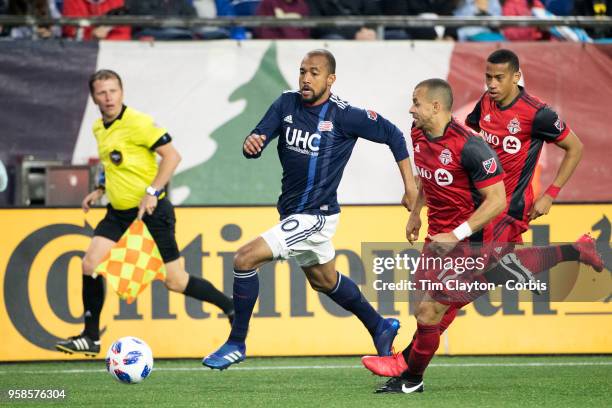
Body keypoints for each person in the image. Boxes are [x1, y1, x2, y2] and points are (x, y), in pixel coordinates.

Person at [202, 49, 418, 370]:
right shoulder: (285, 103)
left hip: (316, 216)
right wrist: (253, 142)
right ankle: (379, 326)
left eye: (314, 72)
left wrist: (410, 187)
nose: (306, 78)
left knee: (245, 259)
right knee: (323, 280)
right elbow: (259, 136)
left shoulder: (344, 116)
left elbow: (393, 134)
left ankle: (237, 342)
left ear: (330, 79)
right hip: (292, 214)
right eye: (302, 71)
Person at [55, 70, 234, 356]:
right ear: (94, 98)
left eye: (113, 90)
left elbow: (173, 156)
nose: (108, 97)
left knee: (175, 281)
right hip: (118, 213)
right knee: (90, 264)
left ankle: (230, 306)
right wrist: (100, 189)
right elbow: (114, 165)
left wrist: (152, 192)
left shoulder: (138, 123)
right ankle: (91, 338)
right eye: (102, 92)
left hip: (152, 212)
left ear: (122, 92)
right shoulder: (99, 128)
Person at [362, 78, 507, 393]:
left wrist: (457, 234)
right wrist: (416, 212)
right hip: (437, 237)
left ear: (436, 106)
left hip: (471, 241)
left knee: (430, 310)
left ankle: (409, 374)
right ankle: (411, 369)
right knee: (425, 308)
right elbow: (426, 176)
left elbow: (498, 200)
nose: (410, 109)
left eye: (416, 102)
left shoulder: (471, 146)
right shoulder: (417, 133)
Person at [465, 49, 602, 278]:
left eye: (499, 78)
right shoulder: (486, 101)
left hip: (511, 204)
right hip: (483, 200)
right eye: (488, 77)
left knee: (481, 272)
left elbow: (575, 148)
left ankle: (575, 250)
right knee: (477, 273)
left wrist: (550, 194)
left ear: (516, 77)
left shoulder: (538, 113)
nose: (492, 84)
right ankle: (576, 250)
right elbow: (471, 132)